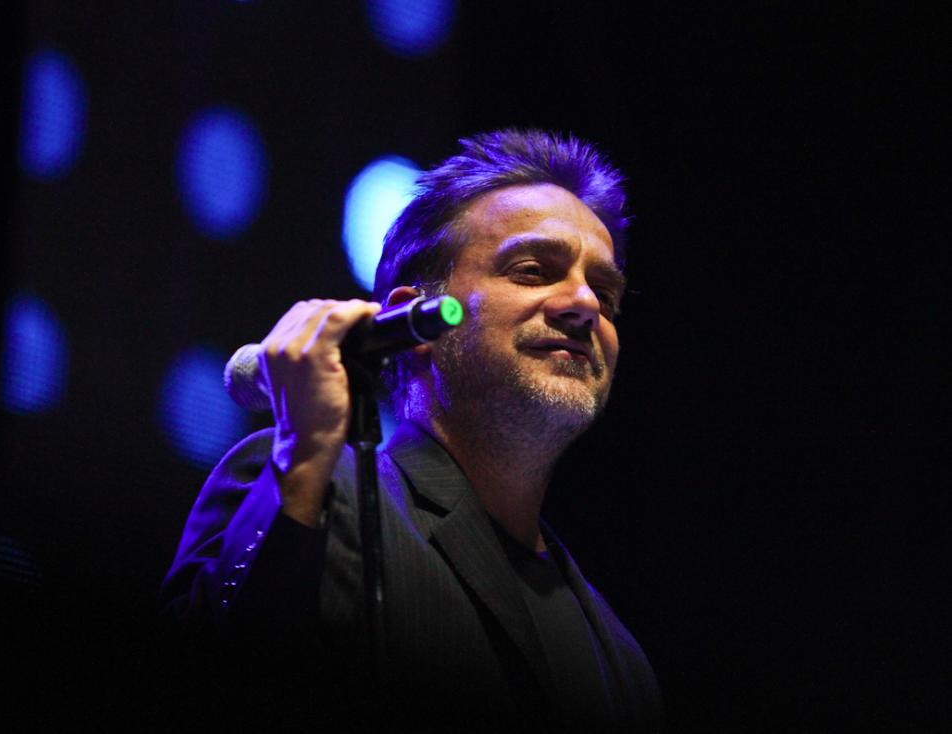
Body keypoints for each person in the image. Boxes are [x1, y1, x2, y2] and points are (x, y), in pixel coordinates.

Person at [160, 129, 665, 731]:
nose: (584, 303)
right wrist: (303, 461)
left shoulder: (622, 663)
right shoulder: (310, 486)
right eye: (533, 270)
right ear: (415, 322)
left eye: (605, 293)